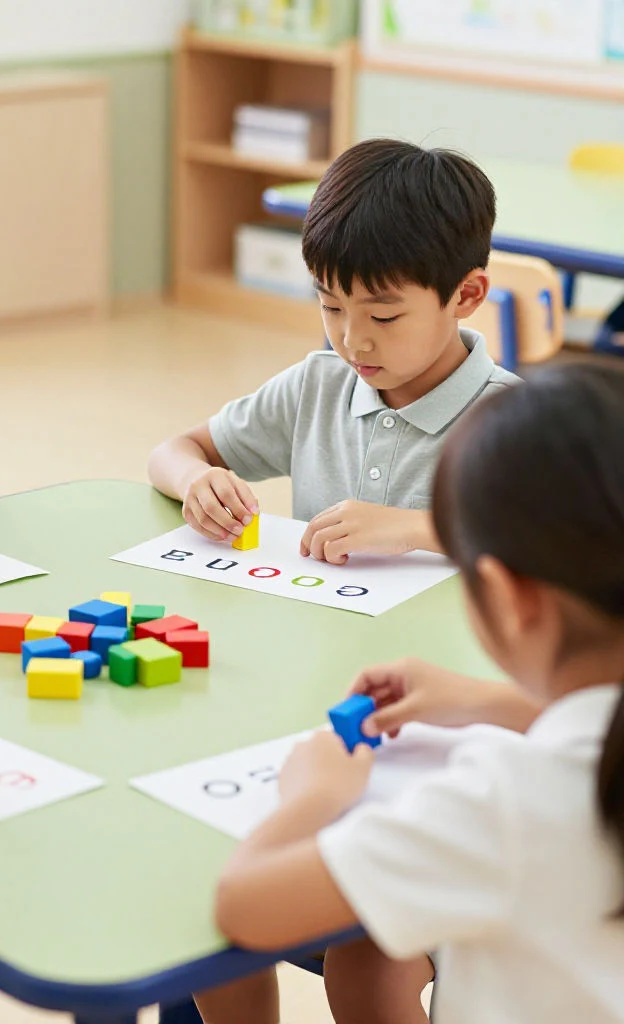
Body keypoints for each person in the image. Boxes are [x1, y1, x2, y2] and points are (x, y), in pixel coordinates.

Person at [214, 363, 624, 1024]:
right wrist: (484, 701)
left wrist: (314, 796)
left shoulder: (505, 804)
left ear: (508, 598)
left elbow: (246, 907)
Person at [149, 138, 516, 567]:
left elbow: (557, 540)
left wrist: (416, 529)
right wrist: (195, 479)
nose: (353, 340)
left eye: (383, 317)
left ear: (466, 295)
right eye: (331, 307)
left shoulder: (515, 419)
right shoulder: (315, 387)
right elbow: (173, 451)